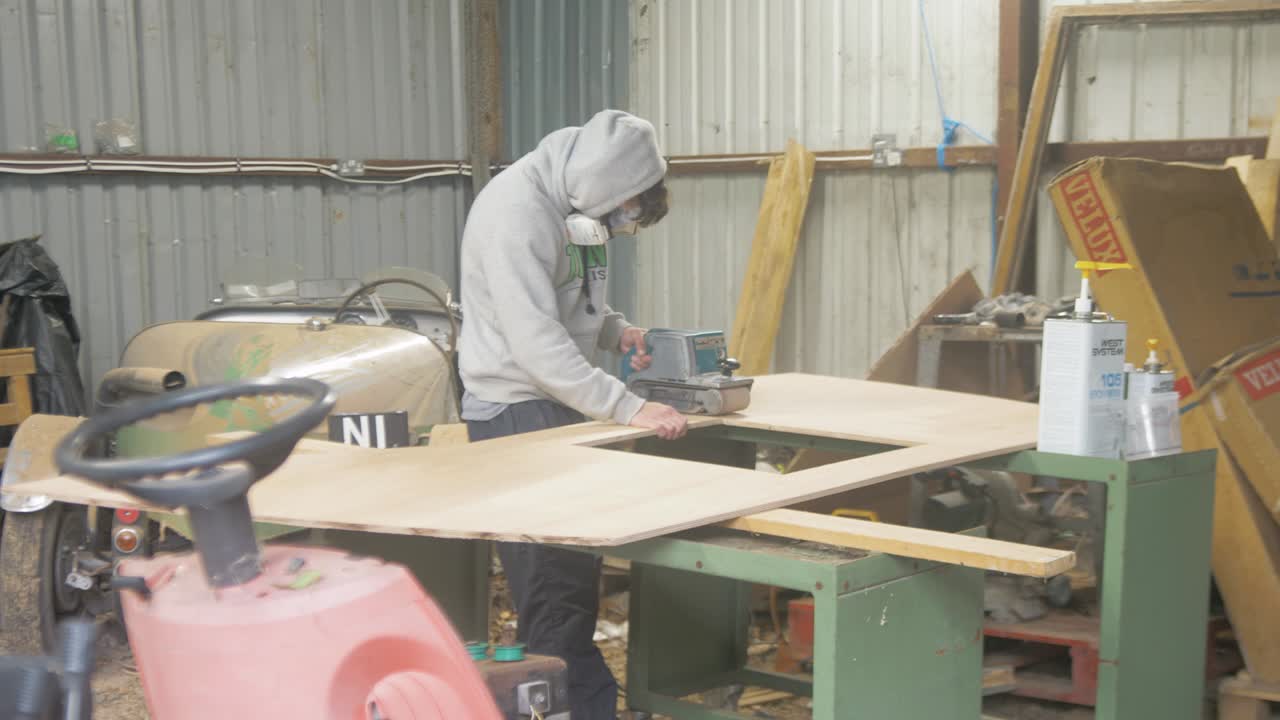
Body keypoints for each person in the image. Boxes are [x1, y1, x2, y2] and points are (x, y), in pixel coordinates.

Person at [457, 109, 687, 718]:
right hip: (516, 411)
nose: (623, 224)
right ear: (606, 188)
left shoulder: (577, 206)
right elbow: (535, 346)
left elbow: (574, 301)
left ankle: (578, 704)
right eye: (626, 212)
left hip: (558, 403)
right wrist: (627, 406)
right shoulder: (516, 214)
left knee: (570, 590)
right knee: (555, 599)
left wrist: (619, 332)